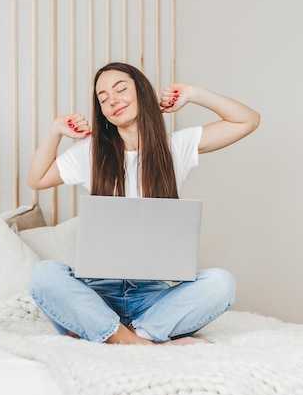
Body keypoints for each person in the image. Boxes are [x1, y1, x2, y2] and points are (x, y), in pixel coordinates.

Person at [27, 62, 260, 345]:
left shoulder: (176, 148)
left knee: (221, 283)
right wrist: (55, 131)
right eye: (103, 98)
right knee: (45, 275)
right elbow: (37, 179)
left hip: (153, 297)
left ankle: (121, 336)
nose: (112, 99)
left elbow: (247, 120)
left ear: (143, 93)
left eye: (121, 89)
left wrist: (195, 93)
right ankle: (142, 341)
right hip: (99, 294)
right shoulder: (91, 153)